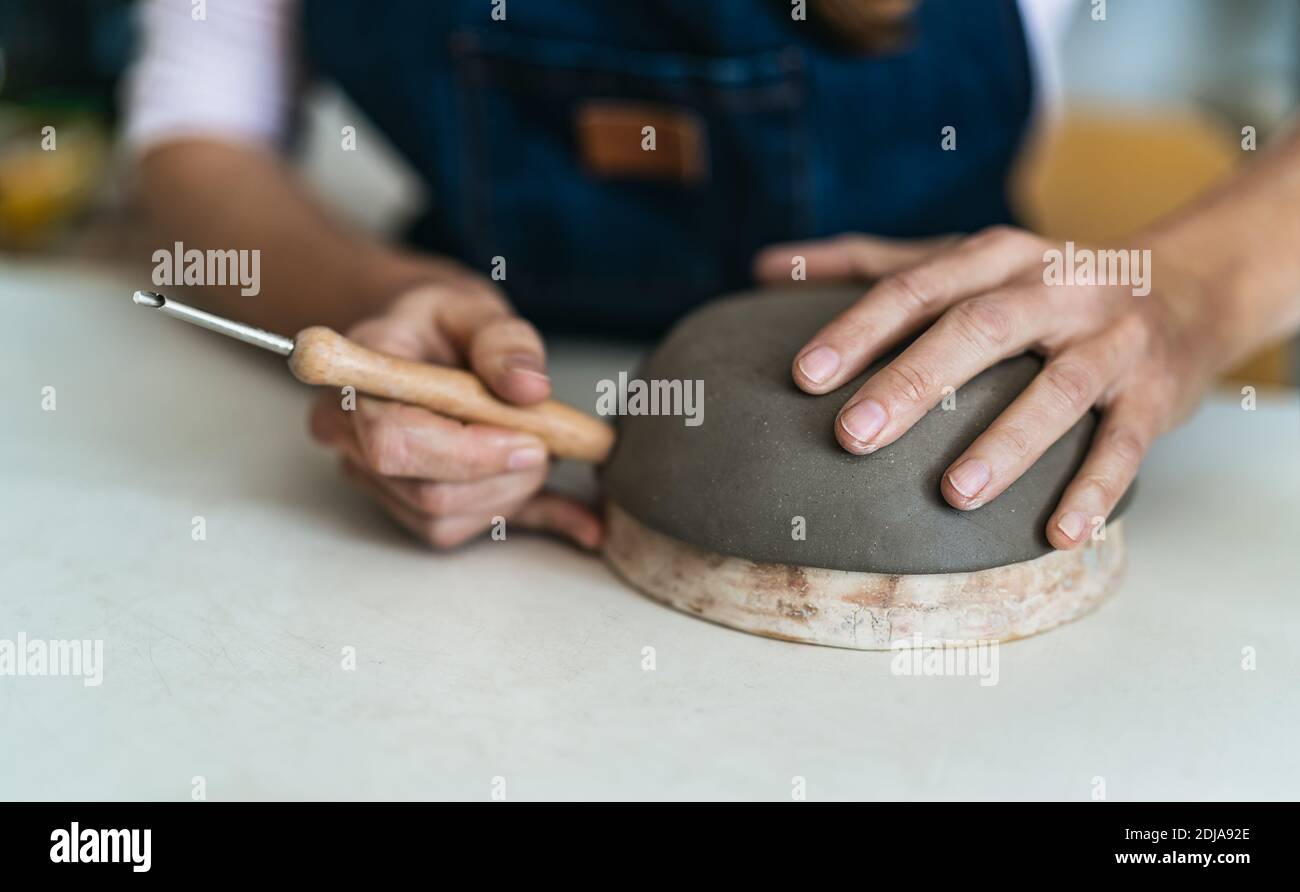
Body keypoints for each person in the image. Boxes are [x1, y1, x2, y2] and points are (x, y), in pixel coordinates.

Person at [125, 0, 1300, 553]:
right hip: (517, 407)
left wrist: (1185, 296)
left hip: (976, 408)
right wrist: (373, 307)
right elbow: (194, 137)